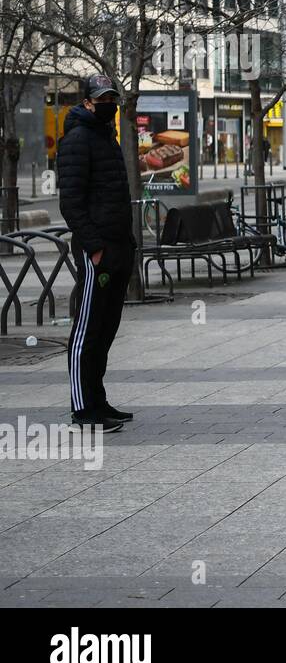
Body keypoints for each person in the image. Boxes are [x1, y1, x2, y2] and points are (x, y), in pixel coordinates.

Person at [57, 75, 135, 432]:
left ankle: (98, 400)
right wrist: (95, 248)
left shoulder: (107, 136)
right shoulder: (77, 140)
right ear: (87, 102)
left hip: (119, 247)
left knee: (106, 328)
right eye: (102, 98)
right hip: (98, 251)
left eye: (112, 98)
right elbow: (71, 203)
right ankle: (81, 408)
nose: (109, 104)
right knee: (87, 329)